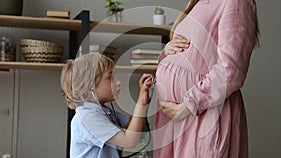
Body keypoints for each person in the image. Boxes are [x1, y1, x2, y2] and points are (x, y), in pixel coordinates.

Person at [153, 0, 259, 157]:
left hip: (203, 115)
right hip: (175, 120)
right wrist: (167, 51)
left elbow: (231, 69)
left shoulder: (236, 2)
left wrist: (189, 104)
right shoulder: (197, 2)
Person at [60, 54, 153, 158]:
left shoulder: (102, 111)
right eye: (110, 78)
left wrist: (143, 98)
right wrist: (140, 102)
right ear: (90, 86)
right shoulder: (89, 118)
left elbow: (135, 124)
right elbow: (129, 141)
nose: (118, 82)